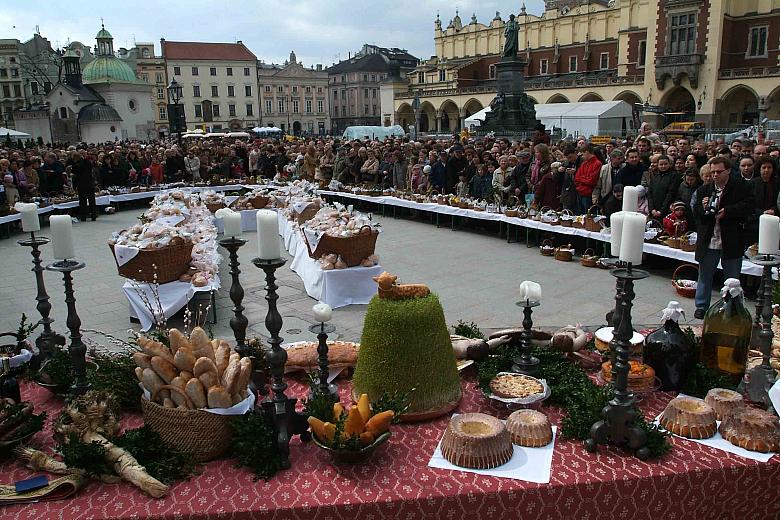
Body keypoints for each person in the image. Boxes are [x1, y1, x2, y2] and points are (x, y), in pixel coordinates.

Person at [693, 156, 754, 318]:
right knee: (705, 275)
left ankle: (732, 306)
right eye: (712, 172)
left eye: (719, 172)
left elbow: (749, 206)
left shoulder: (741, 187)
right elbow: (696, 212)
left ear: (728, 170)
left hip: (731, 239)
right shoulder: (704, 189)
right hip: (709, 239)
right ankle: (701, 306)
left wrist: (727, 211)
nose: (715, 175)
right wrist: (704, 208)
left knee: (732, 278)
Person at [574, 144, 602, 214]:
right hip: (581, 192)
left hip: (588, 194)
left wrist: (581, 179)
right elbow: (576, 178)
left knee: (588, 215)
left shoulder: (597, 164)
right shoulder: (584, 163)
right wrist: (585, 179)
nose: (582, 156)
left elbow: (592, 181)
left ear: (587, 152)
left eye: (582, 154)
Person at [647, 155, 677, 220]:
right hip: (654, 211)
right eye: (661, 164)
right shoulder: (655, 177)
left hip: (666, 211)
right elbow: (650, 194)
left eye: (665, 164)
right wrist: (652, 209)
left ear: (669, 164)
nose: (663, 166)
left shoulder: (673, 176)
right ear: (658, 165)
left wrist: (661, 211)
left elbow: (670, 194)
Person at [71, 149, 97, 221]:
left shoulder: (76, 164)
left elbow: (75, 174)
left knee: (83, 201)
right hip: (89, 183)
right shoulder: (88, 162)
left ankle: (83, 216)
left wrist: (74, 186)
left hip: (81, 184)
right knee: (91, 200)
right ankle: (93, 215)